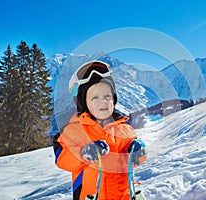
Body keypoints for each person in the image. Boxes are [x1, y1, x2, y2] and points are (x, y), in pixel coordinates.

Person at [53, 60, 147, 200]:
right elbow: (62, 159)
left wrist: (139, 151)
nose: (102, 101)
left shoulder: (125, 130)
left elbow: (137, 159)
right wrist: (84, 153)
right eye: (95, 97)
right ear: (83, 103)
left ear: (113, 99)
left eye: (107, 96)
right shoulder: (74, 132)